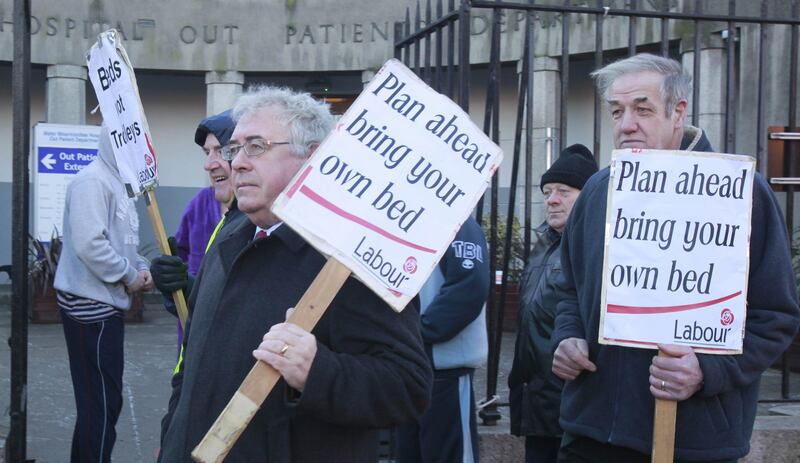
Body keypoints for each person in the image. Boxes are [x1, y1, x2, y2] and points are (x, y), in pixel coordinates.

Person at [158, 85, 433, 462]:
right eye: (234, 148)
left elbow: (407, 387)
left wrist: (317, 370)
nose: (234, 163)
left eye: (256, 146)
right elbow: (191, 366)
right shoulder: (229, 235)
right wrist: (171, 439)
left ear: (314, 158)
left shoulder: (351, 259)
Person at [551, 53, 800, 462]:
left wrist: (707, 371)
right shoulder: (597, 190)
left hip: (693, 441)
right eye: (617, 111)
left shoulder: (742, 195)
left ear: (678, 112)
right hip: (591, 434)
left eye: (642, 109)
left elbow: (775, 317)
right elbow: (570, 289)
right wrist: (567, 337)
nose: (626, 124)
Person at [54, 125, 154, 462]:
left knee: (97, 404)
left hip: (103, 304)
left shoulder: (120, 184)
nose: (136, 147)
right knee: (101, 406)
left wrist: (141, 268)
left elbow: (123, 242)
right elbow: (89, 244)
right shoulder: (92, 181)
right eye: (130, 140)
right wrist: (129, 275)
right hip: (90, 307)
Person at [508, 144, 598, 463]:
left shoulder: (596, 248)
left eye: (563, 190)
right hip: (538, 406)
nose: (552, 199)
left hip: (572, 408)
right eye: (547, 191)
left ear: (590, 196)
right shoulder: (543, 245)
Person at [396, 215, 490, 463]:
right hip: (408, 366)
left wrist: (417, 332)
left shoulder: (456, 222)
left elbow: (469, 288)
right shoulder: (406, 220)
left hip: (443, 368)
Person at [151, 110, 239, 347]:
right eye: (206, 152)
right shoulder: (199, 205)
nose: (209, 164)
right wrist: (172, 283)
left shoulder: (266, 219)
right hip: (193, 344)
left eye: (221, 151)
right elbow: (183, 272)